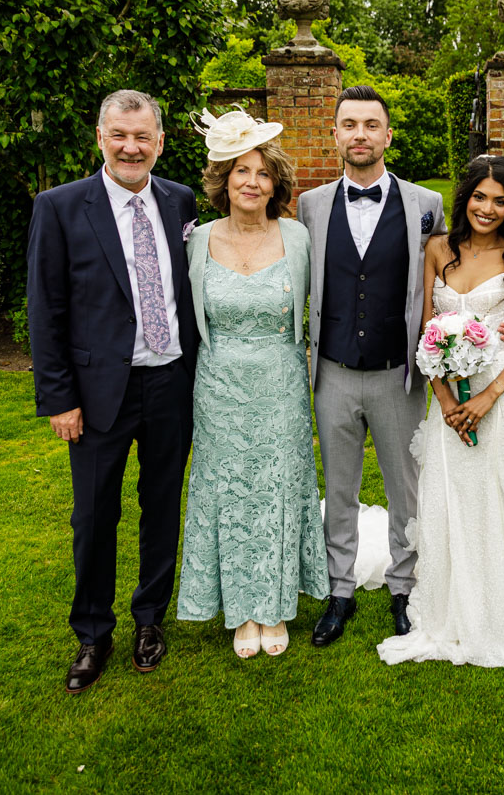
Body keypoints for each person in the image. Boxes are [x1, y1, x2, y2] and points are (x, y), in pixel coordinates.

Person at [27, 89, 198, 693]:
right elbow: (45, 311)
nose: (131, 147)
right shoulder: (60, 207)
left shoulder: (181, 201)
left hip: (172, 382)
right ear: (100, 138)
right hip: (99, 391)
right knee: (94, 515)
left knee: (162, 507)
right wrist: (58, 398)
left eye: (143, 137)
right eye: (120, 136)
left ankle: (149, 618)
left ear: (158, 141)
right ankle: (92, 633)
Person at [377, 155, 504, 669]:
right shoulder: (437, 249)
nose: (488, 208)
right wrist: (446, 399)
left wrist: (487, 397)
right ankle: (449, 605)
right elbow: (425, 327)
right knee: (451, 495)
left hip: (502, 396)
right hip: (447, 400)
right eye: (480, 197)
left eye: (500, 200)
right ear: (464, 200)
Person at [296, 85, 448, 646]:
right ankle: (340, 590)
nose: (360, 135)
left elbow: (445, 277)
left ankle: (405, 587)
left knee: (405, 487)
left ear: (388, 135)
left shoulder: (426, 204)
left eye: (370, 125)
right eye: (349, 125)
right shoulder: (310, 205)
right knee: (338, 486)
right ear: (335, 134)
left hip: (396, 372)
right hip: (332, 370)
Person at [175, 108, 328, 659]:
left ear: (276, 185)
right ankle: (240, 610)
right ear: (223, 179)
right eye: (241, 170)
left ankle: (276, 604)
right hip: (218, 389)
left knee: (276, 489)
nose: (252, 182)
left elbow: (322, 308)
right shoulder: (196, 241)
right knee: (230, 493)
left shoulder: (299, 238)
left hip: (282, 385)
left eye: (263, 173)